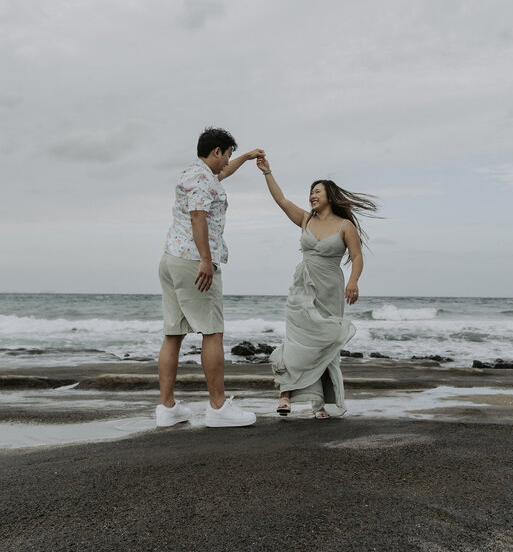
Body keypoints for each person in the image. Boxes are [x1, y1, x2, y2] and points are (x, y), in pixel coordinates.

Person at [256, 154, 379, 418]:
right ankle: (285, 394)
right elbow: (281, 200)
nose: (312, 196)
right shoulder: (305, 220)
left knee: (325, 345)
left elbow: (357, 257)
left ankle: (320, 405)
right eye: (311, 192)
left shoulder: (345, 226)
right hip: (302, 289)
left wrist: (354, 280)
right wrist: (267, 172)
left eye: (317, 192)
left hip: (331, 290)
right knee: (296, 342)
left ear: (330, 196)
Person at [156, 127, 263, 428]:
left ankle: (167, 408)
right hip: (194, 261)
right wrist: (205, 259)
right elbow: (198, 215)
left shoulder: (193, 172)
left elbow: (223, 174)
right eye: (227, 155)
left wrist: (247, 156)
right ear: (216, 152)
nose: (227, 162)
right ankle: (217, 408)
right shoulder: (203, 180)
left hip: (171, 259)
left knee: (173, 333)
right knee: (212, 332)